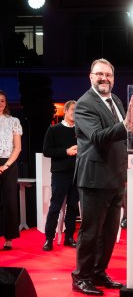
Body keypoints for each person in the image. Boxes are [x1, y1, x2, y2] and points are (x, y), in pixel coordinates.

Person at [72, 58, 133, 296]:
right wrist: (125, 126)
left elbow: (121, 135)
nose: (104, 79)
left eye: (108, 75)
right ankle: (81, 277)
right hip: (94, 178)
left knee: (109, 233)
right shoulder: (84, 104)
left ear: (113, 78)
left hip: (116, 177)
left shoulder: (116, 100)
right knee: (91, 232)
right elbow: (98, 137)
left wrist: (131, 129)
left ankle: (98, 272)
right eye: (99, 74)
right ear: (90, 77)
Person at [42, 100, 79, 251]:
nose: (75, 113)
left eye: (77, 110)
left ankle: (69, 237)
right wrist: (66, 151)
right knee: (55, 206)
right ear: (65, 111)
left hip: (77, 173)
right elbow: (47, 151)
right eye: (73, 110)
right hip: (60, 174)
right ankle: (49, 239)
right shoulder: (54, 130)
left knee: (72, 206)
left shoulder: (80, 131)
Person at [0, 90, 23, 251]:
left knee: (9, 201)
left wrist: (6, 165)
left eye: (2, 100)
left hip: (9, 163)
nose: (0, 103)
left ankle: (9, 238)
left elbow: (18, 147)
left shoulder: (13, 121)